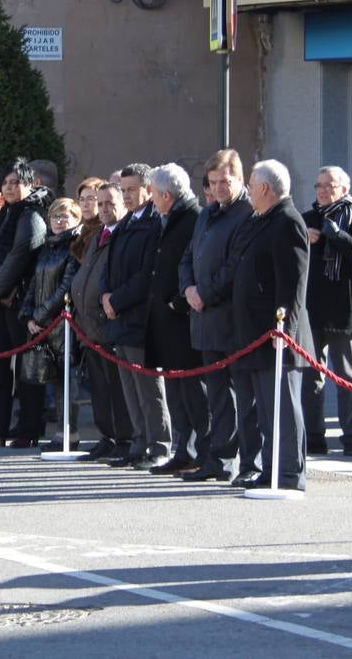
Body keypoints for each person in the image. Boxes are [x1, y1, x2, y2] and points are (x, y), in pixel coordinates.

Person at [231, 159, 311, 490]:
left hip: (278, 335)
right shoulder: (264, 220)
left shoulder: (287, 222)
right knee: (267, 410)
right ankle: (272, 468)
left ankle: (289, 473)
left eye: (251, 184)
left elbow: (293, 283)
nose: (248, 190)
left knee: (283, 409)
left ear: (264, 188)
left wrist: (285, 330)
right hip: (258, 334)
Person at [182, 150, 259, 483]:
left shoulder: (247, 213)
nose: (218, 188)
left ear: (239, 179)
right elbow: (188, 257)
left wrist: (204, 293)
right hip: (205, 320)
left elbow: (235, 266)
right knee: (217, 395)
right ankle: (219, 458)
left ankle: (250, 463)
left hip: (233, 320)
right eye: (212, 183)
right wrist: (187, 289)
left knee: (245, 395)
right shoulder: (207, 213)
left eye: (224, 181)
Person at [302, 166, 352, 456]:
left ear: (344, 189)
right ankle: (314, 437)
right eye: (319, 185)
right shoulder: (307, 217)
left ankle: (351, 437)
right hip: (313, 310)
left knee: (347, 378)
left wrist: (336, 236)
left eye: (330, 186)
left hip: (345, 310)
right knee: (312, 377)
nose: (323, 190)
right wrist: (303, 240)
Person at [102, 163, 171, 470]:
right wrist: (105, 296)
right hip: (118, 317)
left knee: (149, 389)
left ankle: (159, 444)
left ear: (148, 189)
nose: (127, 196)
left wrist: (116, 300)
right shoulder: (127, 222)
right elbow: (110, 265)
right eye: (124, 190)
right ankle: (139, 441)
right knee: (130, 388)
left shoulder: (155, 223)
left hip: (140, 318)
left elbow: (147, 275)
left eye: (132, 190)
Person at [0, 159, 50, 445]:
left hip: (22, 301)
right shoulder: (6, 214)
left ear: (29, 184)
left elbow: (20, 254)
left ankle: (28, 429)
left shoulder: (32, 214)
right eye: (6, 183)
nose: (9, 187)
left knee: (26, 369)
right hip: (0, 298)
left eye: (15, 183)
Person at [145, 163, 205, 475]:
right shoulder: (167, 218)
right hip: (166, 319)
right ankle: (184, 450)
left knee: (192, 390)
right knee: (176, 390)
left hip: (183, 319)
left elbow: (195, 263)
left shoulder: (194, 218)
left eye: (153, 193)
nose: (150, 198)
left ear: (166, 195)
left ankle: (199, 450)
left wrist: (177, 302)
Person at [70, 182, 135, 461]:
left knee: (118, 389)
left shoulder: (124, 234)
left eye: (110, 203)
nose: (105, 209)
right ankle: (105, 436)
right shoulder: (98, 234)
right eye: (102, 204)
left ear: (122, 205)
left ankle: (124, 438)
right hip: (89, 326)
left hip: (110, 322)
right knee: (99, 388)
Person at [15, 198, 83, 448]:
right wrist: (28, 315)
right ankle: (60, 432)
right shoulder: (48, 247)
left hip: (65, 323)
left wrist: (40, 315)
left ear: (76, 219)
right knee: (54, 380)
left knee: (68, 380)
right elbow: (34, 283)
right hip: (44, 323)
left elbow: (65, 286)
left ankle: (69, 434)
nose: (59, 221)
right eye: (55, 217)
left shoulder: (75, 246)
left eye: (65, 216)